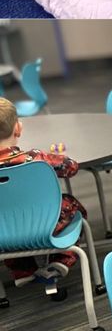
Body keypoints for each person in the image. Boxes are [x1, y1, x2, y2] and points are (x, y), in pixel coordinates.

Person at [0, 97, 81, 288]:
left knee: (5, 215)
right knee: (71, 203)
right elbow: (71, 167)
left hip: (2, 233)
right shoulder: (34, 158)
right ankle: (62, 258)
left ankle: (22, 270)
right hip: (42, 227)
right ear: (18, 128)